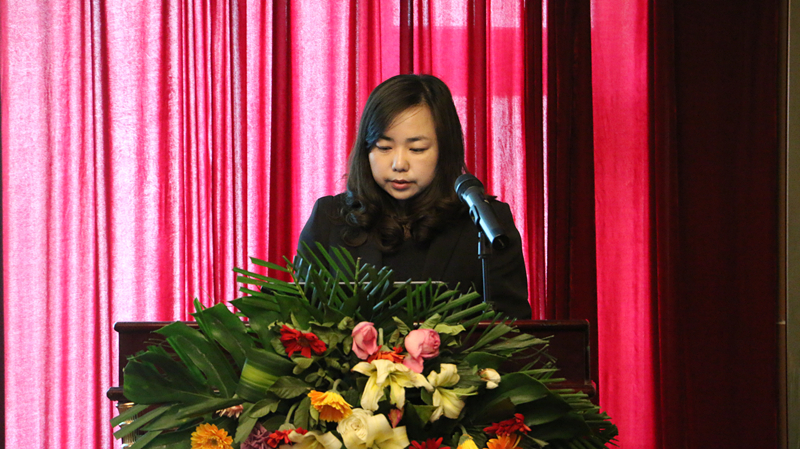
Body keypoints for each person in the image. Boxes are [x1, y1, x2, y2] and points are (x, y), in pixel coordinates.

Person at [297, 74, 530, 319]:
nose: (399, 164)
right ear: (366, 148)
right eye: (384, 147)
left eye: (417, 149)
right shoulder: (329, 219)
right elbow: (298, 321)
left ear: (445, 149)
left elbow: (514, 327)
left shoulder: (486, 223)